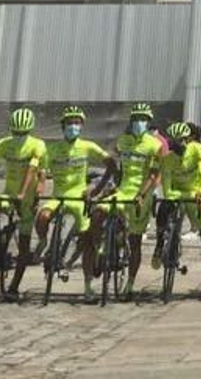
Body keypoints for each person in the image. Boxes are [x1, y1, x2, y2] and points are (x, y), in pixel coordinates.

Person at [37, 107, 115, 302]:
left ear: (81, 126)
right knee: (43, 217)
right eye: (69, 123)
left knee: (87, 240)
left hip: (80, 197)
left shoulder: (87, 146)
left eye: (76, 123)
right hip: (59, 196)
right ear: (63, 127)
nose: (73, 126)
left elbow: (111, 164)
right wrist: (39, 189)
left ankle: (88, 286)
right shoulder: (52, 149)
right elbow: (41, 172)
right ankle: (44, 242)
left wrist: (96, 189)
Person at [93, 102, 163, 301]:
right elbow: (116, 164)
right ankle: (101, 248)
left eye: (143, 119)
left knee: (135, 241)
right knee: (98, 212)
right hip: (123, 191)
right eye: (135, 119)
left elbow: (155, 176)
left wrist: (142, 195)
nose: (138, 122)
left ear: (148, 122)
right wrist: (110, 186)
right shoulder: (122, 141)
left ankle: (130, 284)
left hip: (142, 194)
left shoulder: (156, 146)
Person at [0, 107, 47, 301]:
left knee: (24, 246)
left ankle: (14, 287)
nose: (18, 136)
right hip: (9, 192)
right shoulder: (4, 144)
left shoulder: (38, 145)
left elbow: (34, 171)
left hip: (26, 195)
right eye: (15, 133)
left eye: (22, 133)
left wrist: (32, 192)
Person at [160, 121, 201, 296]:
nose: (180, 144)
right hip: (179, 195)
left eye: (183, 140)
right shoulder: (168, 158)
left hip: (196, 195)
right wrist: (172, 197)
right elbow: (166, 186)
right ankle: (160, 243)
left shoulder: (197, 149)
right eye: (175, 141)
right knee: (164, 209)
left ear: (189, 139)